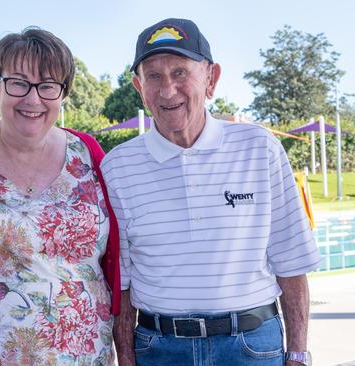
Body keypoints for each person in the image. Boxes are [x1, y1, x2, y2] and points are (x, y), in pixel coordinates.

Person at [102, 18, 321, 366]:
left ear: (211, 78)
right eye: (153, 76)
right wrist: (126, 360)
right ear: (138, 87)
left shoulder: (259, 148)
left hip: (252, 346)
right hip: (159, 350)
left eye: (180, 73)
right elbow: (122, 283)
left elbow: (291, 260)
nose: (167, 89)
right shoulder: (117, 167)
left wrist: (298, 353)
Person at [0, 27, 121, 365]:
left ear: (63, 94)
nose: (33, 99)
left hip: (88, 356)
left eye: (48, 86)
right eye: (18, 83)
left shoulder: (88, 153)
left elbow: (117, 260)